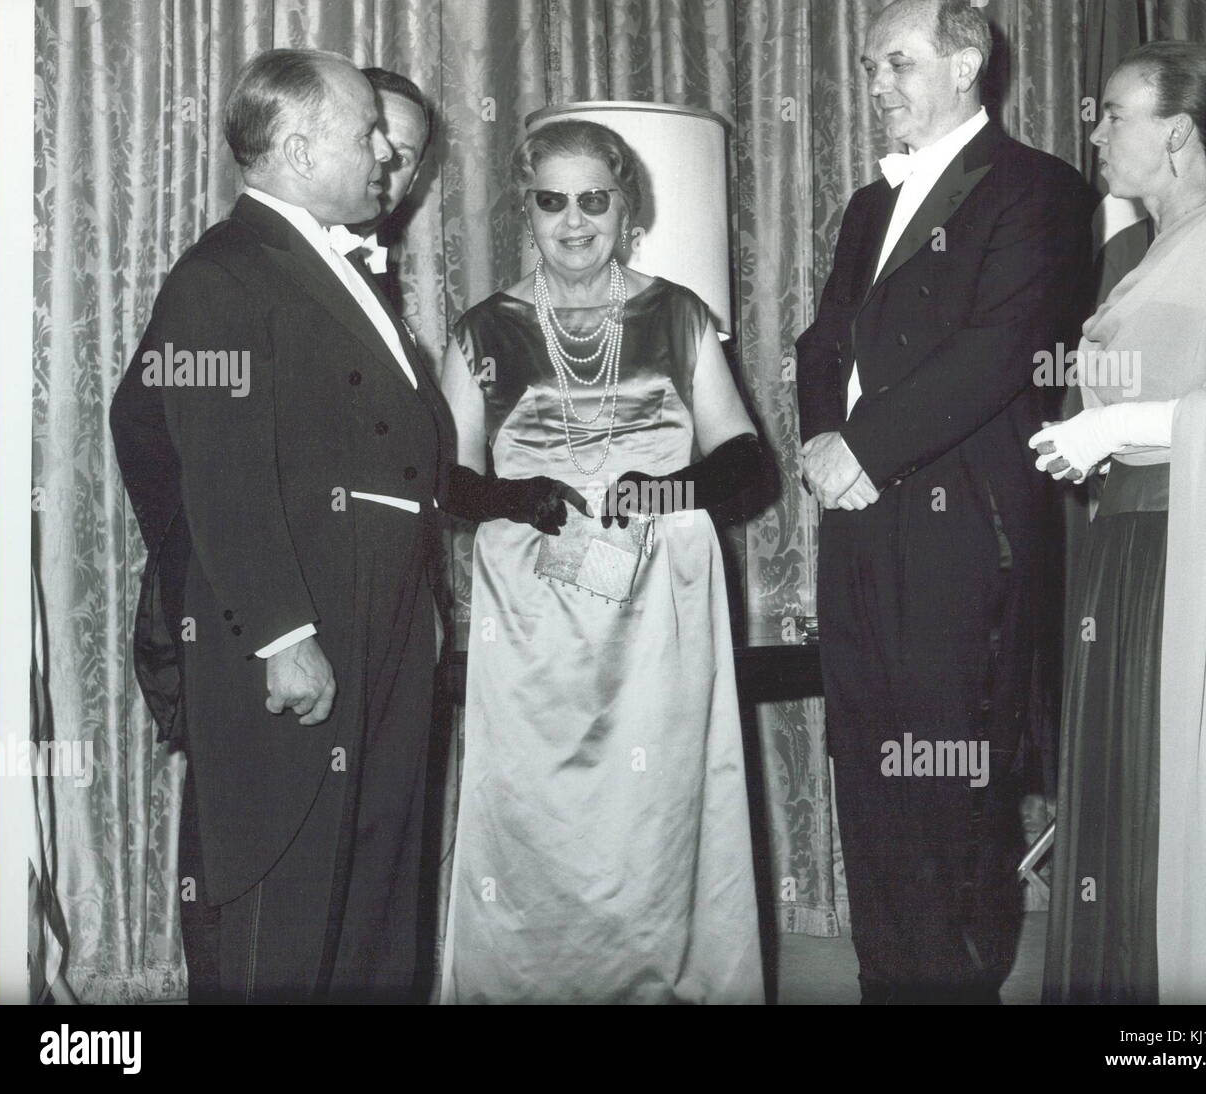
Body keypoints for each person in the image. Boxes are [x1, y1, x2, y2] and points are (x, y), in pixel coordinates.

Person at [109, 48, 455, 1002]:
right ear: (299, 150)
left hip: (380, 608)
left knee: (378, 882)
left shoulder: (330, 266)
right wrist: (275, 630)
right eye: (367, 134)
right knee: (286, 889)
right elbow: (217, 472)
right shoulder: (224, 273)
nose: (388, 151)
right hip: (305, 614)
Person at [794, 0, 1094, 1003]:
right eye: (869, 66)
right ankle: (888, 978)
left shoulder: (1037, 188)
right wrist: (819, 442)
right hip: (859, 520)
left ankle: (955, 988)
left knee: (952, 778)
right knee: (869, 764)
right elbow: (820, 343)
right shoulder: (867, 208)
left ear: (965, 63)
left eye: (895, 63)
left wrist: (863, 446)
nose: (875, 85)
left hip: (965, 530)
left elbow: (999, 350)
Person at [436, 118, 765, 1003]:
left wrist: (663, 493)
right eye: (552, 202)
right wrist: (518, 496)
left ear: (627, 208)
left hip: (661, 602)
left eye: (594, 200)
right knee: (540, 816)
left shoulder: (680, 314)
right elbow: (447, 484)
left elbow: (747, 465)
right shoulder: (481, 329)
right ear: (526, 211)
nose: (573, 222)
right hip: (537, 613)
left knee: (655, 815)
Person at [1034, 40, 1206, 1005]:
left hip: (1192, 550)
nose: (1095, 132)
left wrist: (1124, 423)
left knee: (1171, 808)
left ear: (1177, 132)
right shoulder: (1152, 252)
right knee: (1123, 803)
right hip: (1126, 556)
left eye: (1112, 114)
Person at [346, 67, 433, 311]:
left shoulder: (378, 270)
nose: (380, 164)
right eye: (367, 143)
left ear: (414, 178)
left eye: (400, 157)